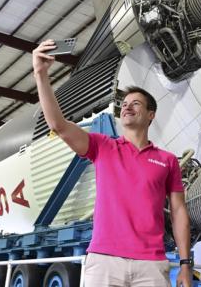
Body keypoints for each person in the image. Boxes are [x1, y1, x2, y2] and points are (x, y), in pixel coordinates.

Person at [33, 39, 192, 287]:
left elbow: (179, 212)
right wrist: (40, 73)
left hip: (150, 264)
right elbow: (58, 125)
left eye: (135, 104)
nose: (127, 107)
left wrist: (185, 263)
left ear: (151, 115)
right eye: (124, 104)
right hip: (104, 261)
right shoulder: (102, 146)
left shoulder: (167, 160)